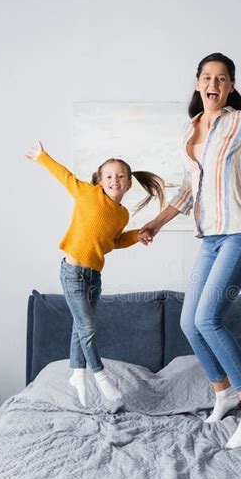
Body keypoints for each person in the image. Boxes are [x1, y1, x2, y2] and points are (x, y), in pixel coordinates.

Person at [139, 52, 241, 448]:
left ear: (230, 87)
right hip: (210, 239)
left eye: (222, 78)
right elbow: (189, 190)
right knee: (189, 322)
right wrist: (155, 224)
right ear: (197, 83)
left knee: (209, 318)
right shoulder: (191, 130)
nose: (214, 83)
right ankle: (223, 392)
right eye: (207, 77)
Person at [25, 141, 165, 407]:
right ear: (100, 181)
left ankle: (77, 374)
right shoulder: (88, 194)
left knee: (81, 328)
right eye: (110, 176)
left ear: (129, 183)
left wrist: (137, 235)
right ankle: (100, 377)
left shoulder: (122, 215)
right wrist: (43, 157)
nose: (116, 180)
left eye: (121, 176)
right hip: (73, 272)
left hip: (93, 277)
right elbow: (64, 175)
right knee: (88, 328)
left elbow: (113, 242)